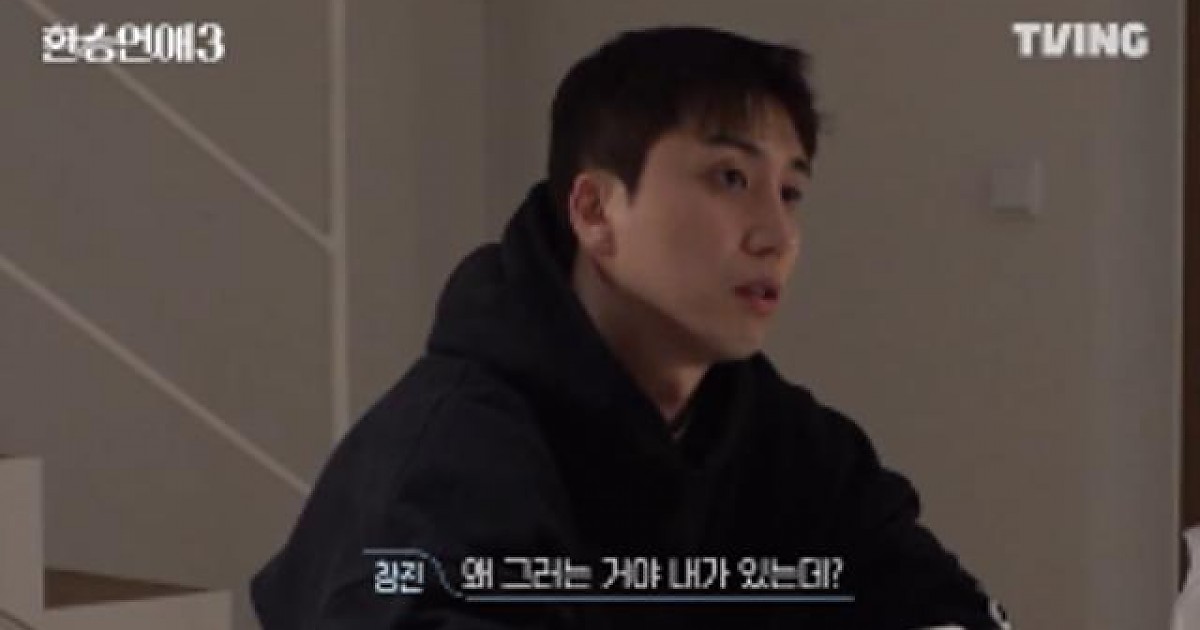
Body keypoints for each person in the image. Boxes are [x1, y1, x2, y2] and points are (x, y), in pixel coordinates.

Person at [250, 26, 1011, 629]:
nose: (776, 234)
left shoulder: (781, 437)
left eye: (790, 191)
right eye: (730, 178)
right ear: (595, 212)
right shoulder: (453, 451)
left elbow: (935, 599)